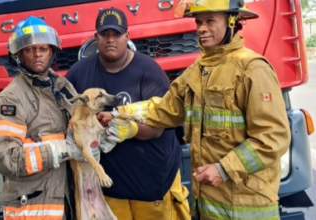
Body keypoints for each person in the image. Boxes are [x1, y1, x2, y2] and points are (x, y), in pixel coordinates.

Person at [102, 1, 291, 219]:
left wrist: (224, 169)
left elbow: (272, 137)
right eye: (198, 22)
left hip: (246, 206)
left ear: (232, 21)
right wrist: (118, 113)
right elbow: (164, 108)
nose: (201, 28)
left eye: (210, 21)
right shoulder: (197, 71)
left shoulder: (252, 69)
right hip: (209, 206)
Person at [65, 7, 191, 220]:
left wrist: (129, 128)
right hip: (108, 193)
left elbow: (159, 126)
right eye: (104, 34)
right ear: (96, 37)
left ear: (127, 36)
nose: (110, 40)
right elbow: (65, 117)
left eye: (116, 34)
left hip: (153, 188)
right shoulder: (79, 73)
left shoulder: (148, 71)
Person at [0, 16, 98, 220]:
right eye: (30, 49)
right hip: (34, 208)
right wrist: (60, 151)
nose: (38, 54)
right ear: (18, 55)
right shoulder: (10, 100)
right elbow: (6, 158)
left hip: (70, 201)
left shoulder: (63, 88)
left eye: (43, 49)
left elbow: (81, 128)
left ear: (52, 52)